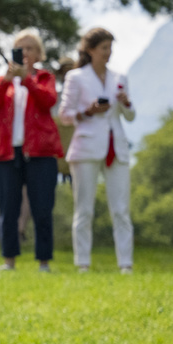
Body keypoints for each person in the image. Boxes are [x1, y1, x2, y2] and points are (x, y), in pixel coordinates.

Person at [0, 29, 63, 271]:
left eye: (30, 49)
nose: (25, 53)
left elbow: (48, 101)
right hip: (5, 152)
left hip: (40, 152)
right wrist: (6, 81)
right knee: (8, 208)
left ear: (39, 54)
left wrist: (27, 78)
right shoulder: (1, 80)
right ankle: (9, 260)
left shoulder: (45, 78)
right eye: (20, 48)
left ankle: (44, 261)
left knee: (43, 208)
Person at [59, 27, 136, 273]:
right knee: (84, 208)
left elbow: (131, 116)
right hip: (85, 146)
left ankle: (126, 263)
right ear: (90, 50)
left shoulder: (120, 77)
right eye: (104, 48)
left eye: (110, 48)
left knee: (121, 208)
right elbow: (65, 116)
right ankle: (83, 263)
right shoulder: (76, 78)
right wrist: (87, 111)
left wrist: (126, 103)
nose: (108, 53)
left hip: (116, 145)